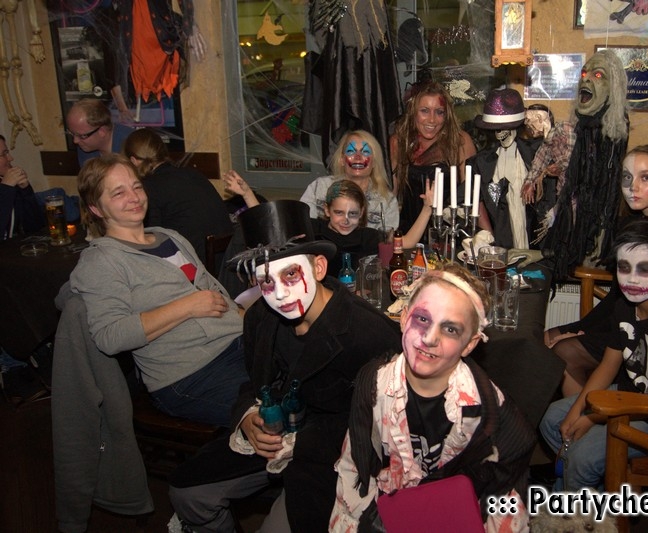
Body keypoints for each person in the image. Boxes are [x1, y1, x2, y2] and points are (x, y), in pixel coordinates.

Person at [168, 199, 403, 533]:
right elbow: (254, 382)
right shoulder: (260, 318)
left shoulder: (369, 334)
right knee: (187, 492)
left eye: (291, 274)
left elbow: (383, 428)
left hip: (333, 457)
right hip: (274, 436)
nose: (278, 294)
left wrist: (302, 444)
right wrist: (247, 415)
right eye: (265, 282)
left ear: (318, 268)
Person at [329, 263, 534, 531]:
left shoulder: (490, 412)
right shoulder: (374, 387)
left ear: (470, 344)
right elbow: (354, 467)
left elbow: (507, 497)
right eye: (422, 319)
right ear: (404, 318)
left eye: (450, 330)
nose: (429, 338)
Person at [539, 217, 648, 492]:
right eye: (624, 267)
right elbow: (607, 367)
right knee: (553, 420)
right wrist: (577, 410)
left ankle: (579, 501)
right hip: (633, 394)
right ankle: (587, 489)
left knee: (582, 456)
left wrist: (592, 418)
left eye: (645, 268)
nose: (632, 278)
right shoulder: (626, 305)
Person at [70, 154, 248, 427]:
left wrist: (248, 318)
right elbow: (109, 336)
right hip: (189, 374)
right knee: (276, 410)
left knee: (308, 373)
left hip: (237, 342)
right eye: (119, 193)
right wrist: (187, 307)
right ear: (96, 208)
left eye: (137, 187)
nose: (134, 197)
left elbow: (212, 289)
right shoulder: (101, 261)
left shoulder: (170, 236)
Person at [547, 144, 648, 395]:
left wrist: (579, 333)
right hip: (634, 319)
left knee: (563, 351)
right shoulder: (635, 222)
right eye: (627, 177)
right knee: (548, 337)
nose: (633, 187)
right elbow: (619, 297)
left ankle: (589, 415)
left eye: (646, 178)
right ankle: (580, 411)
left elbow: (647, 310)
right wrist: (580, 328)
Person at [539, 50, 629, 281]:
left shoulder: (611, 132)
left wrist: (599, 238)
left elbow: (607, 193)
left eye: (598, 75)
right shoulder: (584, 128)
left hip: (595, 242)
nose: (586, 79)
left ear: (613, 87)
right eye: (584, 73)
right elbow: (576, 183)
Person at [122, 127, 233, 260]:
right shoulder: (192, 173)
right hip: (225, 258)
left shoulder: (150, 187)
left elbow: (150, 239)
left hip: (194, 262)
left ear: (133, 161)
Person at [390, 81, 477, 236]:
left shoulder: (459, 141)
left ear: (447, 115)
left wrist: (487, 235)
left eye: (439, 112)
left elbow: (473, 194)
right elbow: (391, 194)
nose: (432, 120)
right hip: (409, 232)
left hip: (449, 231)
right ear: (412, 111)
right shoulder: (399, 142)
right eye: (424, 111)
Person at [313, 178, 434, 275]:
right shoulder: (314, 230)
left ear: (361, 212)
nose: (346, 220)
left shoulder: (366, 236)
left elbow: (408, 242)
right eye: (339, 212)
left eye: (353, 213)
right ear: (327, 210)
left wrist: (427, 209)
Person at [468, 88, 539, 249]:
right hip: (498, 246)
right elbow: (469, 198)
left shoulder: (535, 155)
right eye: (495, 128)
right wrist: (487, 235)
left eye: (505, 126)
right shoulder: (482, 163)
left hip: (533, 244)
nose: (499, 132)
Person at [300, 130, 399, 232]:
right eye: (351, 151)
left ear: (374, 162)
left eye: (365, 152)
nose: (358, 157)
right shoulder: (319, 188)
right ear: (342, 160)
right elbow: (301, 227)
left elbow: (388, 239)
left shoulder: (387, 200)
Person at [521, 104, 576, 246]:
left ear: (540, 118)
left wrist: (559, 166)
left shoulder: (564, 128)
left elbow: (573, 155)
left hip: (577, 191)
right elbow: (538, 162)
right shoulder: (547, 142)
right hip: (565, 192)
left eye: (528, 120)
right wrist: (529, 182)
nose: (527, 124)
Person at [66, 98, 134, 166]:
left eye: (82, 136)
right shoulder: (85, 148)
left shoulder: (132, 145)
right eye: (72, 133)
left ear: (102, 131)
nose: (75, 141)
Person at [0, 134, 44, 239]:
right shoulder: (6, 189)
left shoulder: (7, 184)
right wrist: (5, 190)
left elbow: (36, 227)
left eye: (7, 152)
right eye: (4, 154)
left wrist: (26, 191)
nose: (10, 158)